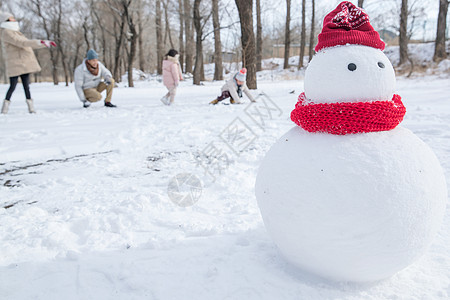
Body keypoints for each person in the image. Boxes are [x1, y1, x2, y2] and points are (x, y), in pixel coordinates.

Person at [0, 11, 56, 114]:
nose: (14, 19)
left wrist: (43, 43)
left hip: (23, 62)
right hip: (15, 63)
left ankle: (31, 108)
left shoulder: (15, 30)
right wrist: (40, 42)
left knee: (26, 85)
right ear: (6, 20)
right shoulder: (7, 32)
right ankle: (5, 108)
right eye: (11, 18)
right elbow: (22, 42)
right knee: (13, 85)